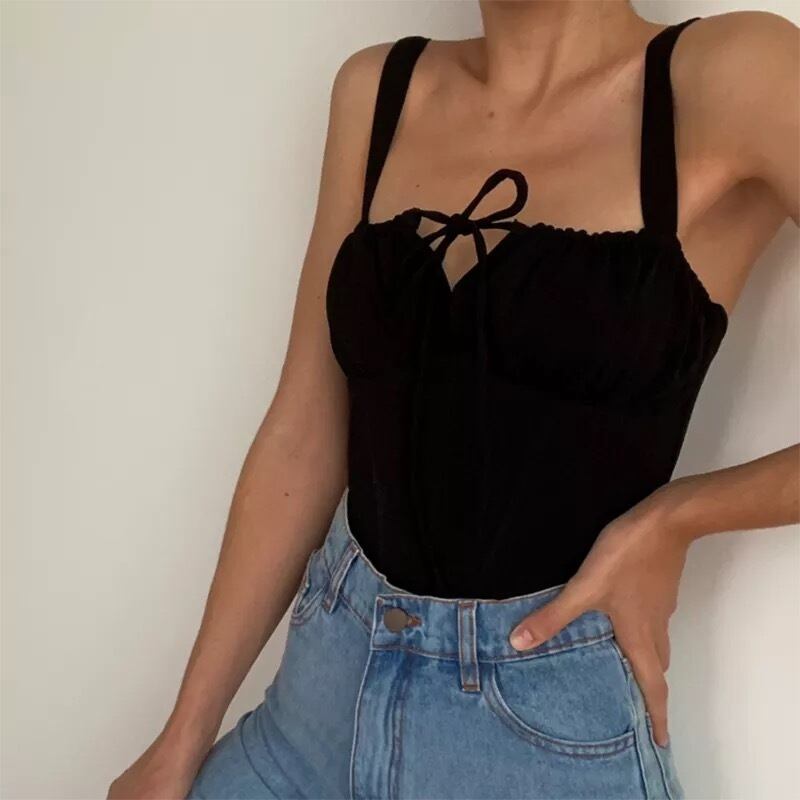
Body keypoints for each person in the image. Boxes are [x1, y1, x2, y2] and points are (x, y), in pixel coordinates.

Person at [108, 2, 799, 798]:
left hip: (544, 730)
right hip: (317, 705)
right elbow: (305, 430)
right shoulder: (379, 90)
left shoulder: (735, 76)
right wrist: (182, 739)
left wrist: (677, 517)